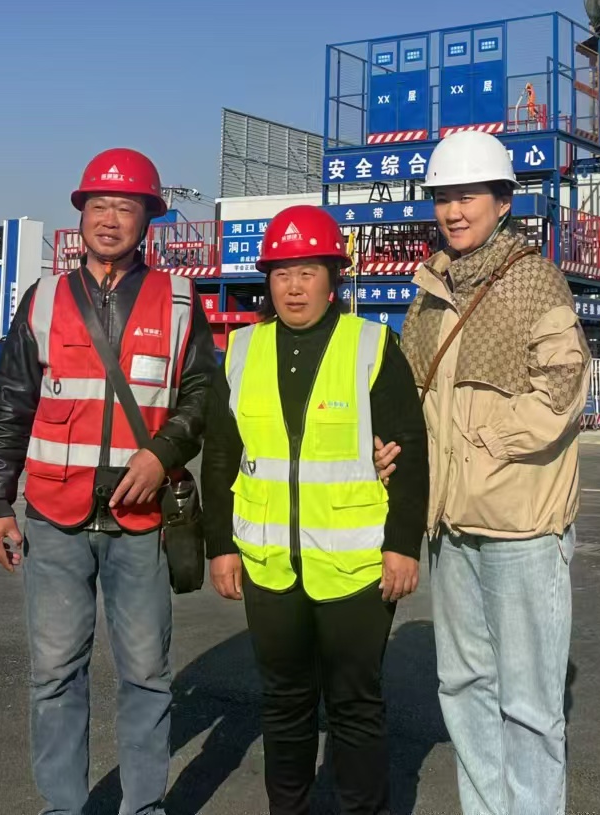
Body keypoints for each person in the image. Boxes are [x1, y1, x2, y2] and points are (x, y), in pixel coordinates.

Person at [0, 147, 218, 815]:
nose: (110, 219)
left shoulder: (179, 300)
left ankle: (143, 808)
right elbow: (10, 403)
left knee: (146, 675)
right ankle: (63, 807)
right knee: (55, 674)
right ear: (82, 213)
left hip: (142, 523)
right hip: (55, 517)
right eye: (99, 205)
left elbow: (203, 394)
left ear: (149, 219)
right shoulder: (45, 298)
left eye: (126, 207)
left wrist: (162, 453)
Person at [386, 130, 589, 815]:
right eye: (443, 197)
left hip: (520, 524)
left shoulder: (534, 279)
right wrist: (397, 449)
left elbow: (564, 388)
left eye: (468, 195)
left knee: (529, 701)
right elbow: (412, 396)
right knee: (463, 684)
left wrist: (485, 441)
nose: (453, 210)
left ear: (503, 201)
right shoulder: (428, 291)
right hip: (449, 523)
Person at [202, 206, 428, 815]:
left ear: (334, 277)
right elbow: (220, 456)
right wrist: (219, 546)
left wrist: (402, 545)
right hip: (268, 564)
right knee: (284, 703)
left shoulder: (371, 346)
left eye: (308, 272)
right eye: (282, 273)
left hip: (355, 567)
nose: (294, 287)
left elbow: (409, 449)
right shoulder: (242, 350)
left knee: (355, 705)